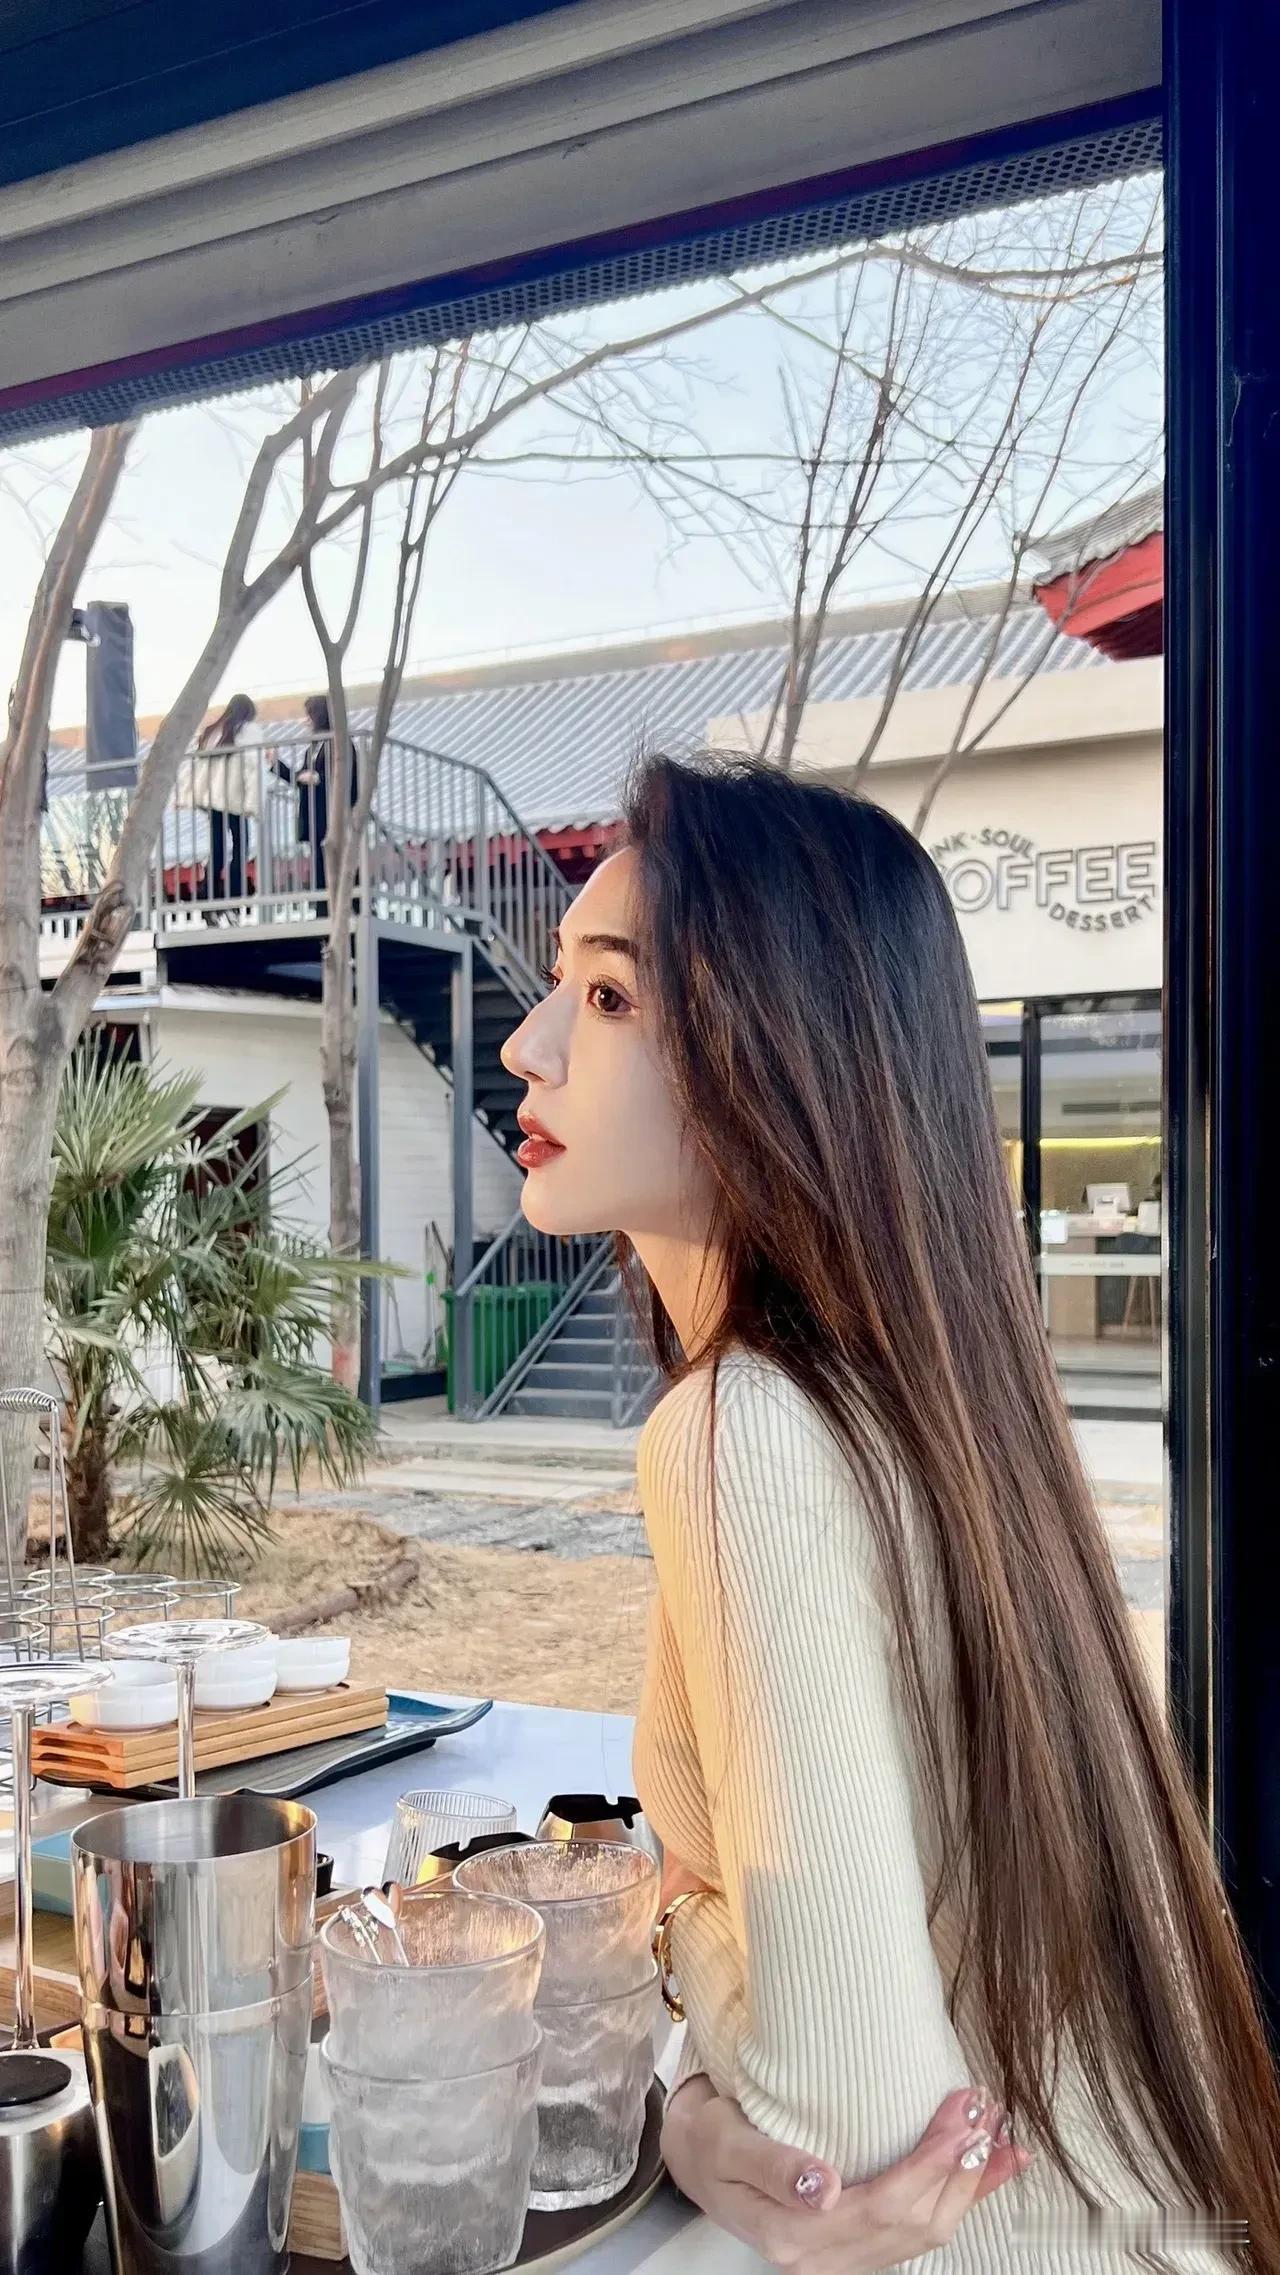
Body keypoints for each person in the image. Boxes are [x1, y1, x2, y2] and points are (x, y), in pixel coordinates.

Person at [500, 751, 1280, 2275]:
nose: (531, 1046)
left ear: (776, 1058)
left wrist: (676, 1947)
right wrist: (696, 2035)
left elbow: (851, 2137)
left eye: (607, 996)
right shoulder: (914, 1403)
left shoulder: (745, 1431)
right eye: (559, 985)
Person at [276, 693, 359, 914]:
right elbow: (299, 779)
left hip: (332, 812)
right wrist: (277, 765)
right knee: (320, 861)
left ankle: (351, 905)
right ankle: (324, 908)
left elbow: (346, 778)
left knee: (338, 859)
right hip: (315, 813)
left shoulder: (340, 743)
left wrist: (319, 778)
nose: (306, 721)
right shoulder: (313, 748)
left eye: (309, 715)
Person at [181, 692, 258, 908]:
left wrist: (190, 795)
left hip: (212, 798)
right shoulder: (244, 732)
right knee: (241, 844)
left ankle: (210, 890)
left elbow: (197, 766)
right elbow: (251, 767)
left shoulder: (211, 732)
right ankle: (235, 888)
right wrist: (253, 801)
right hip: (234, 798)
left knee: (217, 845)